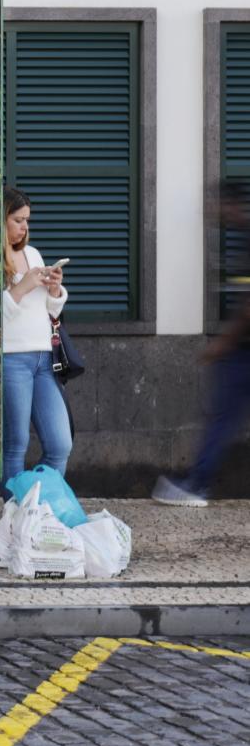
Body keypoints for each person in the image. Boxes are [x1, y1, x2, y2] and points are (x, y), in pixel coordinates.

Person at [154, 182, 250, 506]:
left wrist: (223, 344)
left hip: (242, 352)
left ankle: (198, 485)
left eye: (215, 202)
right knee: (223, 418)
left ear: (230, 204)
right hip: (241, 350)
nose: (210, 209)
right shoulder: (240, 239)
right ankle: (198, 482)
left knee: (223, 418)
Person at [0, 186, 70, 488]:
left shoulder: (32, 253)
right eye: (18, 220)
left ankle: (35, 507)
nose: (25, 227)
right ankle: (14, 517)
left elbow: (51, 312)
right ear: (1, 220)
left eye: (27, 220)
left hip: (44, 358)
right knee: (16, 444)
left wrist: (54, 290)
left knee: (60, 446)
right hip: (12, 359)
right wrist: (22, 286)